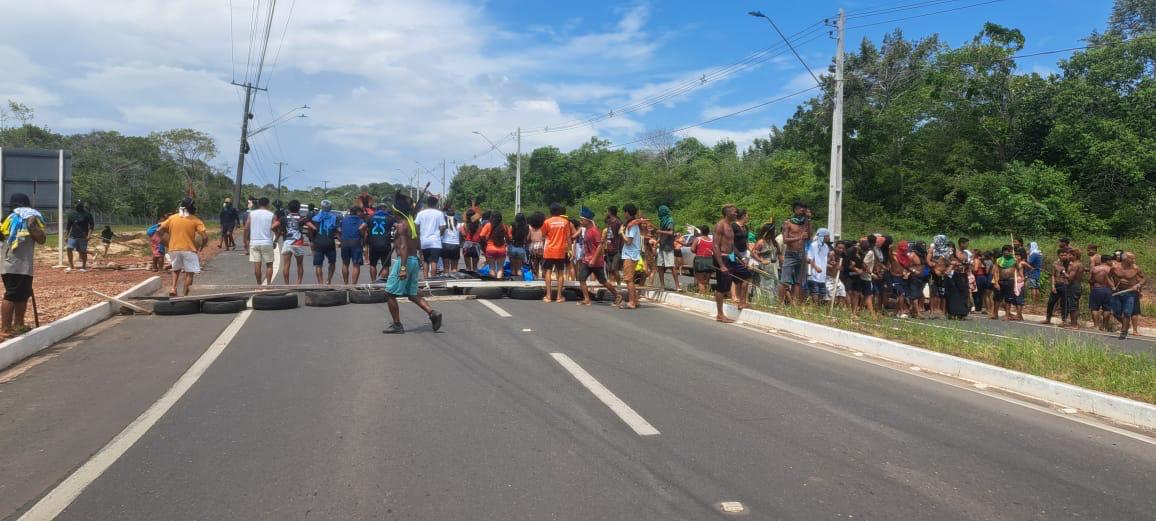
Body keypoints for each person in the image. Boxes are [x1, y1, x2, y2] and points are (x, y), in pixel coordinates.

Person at [382, 191, 442, 334]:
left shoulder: (402, 225)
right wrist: (420, 258)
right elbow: (418, 243)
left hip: (405, 261)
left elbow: (403, 247)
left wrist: (402, 268)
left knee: (389, 293)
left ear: (396, 210)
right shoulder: (411, 224)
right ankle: (432, 313)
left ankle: (397, 324)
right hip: (413, 260)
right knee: (412, 293)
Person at [0, 194, 46, 336]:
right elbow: (41, 239)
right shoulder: (29, 220)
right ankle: (5, 329)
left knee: (22, 295)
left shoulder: (5, 220)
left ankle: (18, 325)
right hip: (18, 266)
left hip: (10, 265)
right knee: (12, 295)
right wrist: (32, 225)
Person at [159, 198, 207, 297]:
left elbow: (159, 230)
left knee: (175, 270)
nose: (194, 207)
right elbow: (205, 237)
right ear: (189, 208)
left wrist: (166, 241)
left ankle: (173, 288)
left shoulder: (172, 218)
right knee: (189, 273)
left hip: (173, 249)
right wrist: (202, 246)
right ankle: (184, 296)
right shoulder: (196, 220)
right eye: (193, 206)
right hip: (189, 249)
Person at [576, 207, 617, 306]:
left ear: (587, 220)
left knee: (603, 281)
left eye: (582, 220)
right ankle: (587, 299)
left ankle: (617, 295)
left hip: (596, 261)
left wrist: (594, 259)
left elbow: (600, 245)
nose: (580, 222)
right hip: (587, 260)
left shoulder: (594, 231)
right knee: (581, 278)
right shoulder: (586, 230)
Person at [712, 204, 746, 322]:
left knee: (738, 279)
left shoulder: (730, 226)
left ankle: (739, 301)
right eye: (734, 212)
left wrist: (741, 258)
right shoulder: (720, 225)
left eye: (737, 212)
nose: (736, 214)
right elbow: (715, 246)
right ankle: (720, 314)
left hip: (731, 257)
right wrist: (721, 265)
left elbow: (732, 245)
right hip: (722, 257)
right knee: (721, 286)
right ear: (727, 213)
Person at [542, 203, 575, 303]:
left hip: (549, 251)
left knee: (548, 272)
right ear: (560, 211)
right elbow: (568, 237)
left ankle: (548, 296)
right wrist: (570, 250)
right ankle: (559, 297)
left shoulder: (547, 222)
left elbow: (544, 235)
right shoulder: (565, 222)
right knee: (560, 273)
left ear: (550, 211)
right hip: (561, 251)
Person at [1110, 252, 1145, 340]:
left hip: (1130, 293)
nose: (1134, 260)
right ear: (1125, 259)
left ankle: (1124, 331)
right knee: (1116, 312)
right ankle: (1126, 324)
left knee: (1127, 312)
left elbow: (1144, 278)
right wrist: (1112, 286)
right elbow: (1108, 276)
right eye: (1132, 259)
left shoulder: (1136, 268)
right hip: (1118, 293)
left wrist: (1138, 285)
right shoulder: (1115, 267)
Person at [779, 202, 808, 305]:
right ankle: (780, 304)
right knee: (785, 280)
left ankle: (794, 305)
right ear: (795, 209)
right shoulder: (788, 223)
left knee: (798, 282)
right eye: (801, 209)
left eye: (805, 209)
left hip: (802, 254)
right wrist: (799, 237)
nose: (803, 211)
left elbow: (810, 235)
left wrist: (809, 220)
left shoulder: (805, 223)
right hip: (791, 254)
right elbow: (785, 240)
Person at [305, 199, 339, 285]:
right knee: (332, 262)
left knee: (318, 265)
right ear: (330, 208)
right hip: (330, 242)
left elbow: (310, 229)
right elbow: (337, 230)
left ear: (321, 207)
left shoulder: (315, 217)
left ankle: (320, 283)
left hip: (318, 242)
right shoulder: (334, 217)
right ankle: (329, 280)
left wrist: (312, 240)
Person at [245, 197, 277, 285]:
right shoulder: (271, 215)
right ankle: (268, 285)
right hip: (267, 242)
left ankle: (259, 285)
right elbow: (276, 229)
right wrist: (276, 240)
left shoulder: (252, 214)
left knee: (257, 265)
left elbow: (246, 228)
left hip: (254, 242)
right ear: (268, 204)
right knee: (269, 265)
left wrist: (245, 241)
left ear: (259, 204)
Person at [414, 196, 446, 278]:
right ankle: (433, 280)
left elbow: (416, 225)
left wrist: (419, 234)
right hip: (435, 241)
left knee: (425, 261)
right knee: (434, 262)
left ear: (427, 203)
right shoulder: (439, 213)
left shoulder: (421, 213)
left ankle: (425, 280)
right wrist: (439, 234)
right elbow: (443, 227)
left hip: (424, 241)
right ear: (436, 203)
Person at [620, 204, 644, 310]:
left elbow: (628, 241)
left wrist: (621, 233)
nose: (624, 214)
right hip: (631, 254)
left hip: (630, 254)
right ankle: (635, 300)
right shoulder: (632, 224)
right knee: (630, 279)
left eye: (624, 212)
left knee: (628, 279)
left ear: (627, 212)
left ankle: (631, 302)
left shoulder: (632, 226)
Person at [750, 222, 780, 304]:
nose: (775, 231)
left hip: (773, 267)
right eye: (774, 230)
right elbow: (753, 253)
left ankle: (772, 303)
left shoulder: (774, 242)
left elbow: (779, 253)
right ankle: (761, 302)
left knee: (773, 285)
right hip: (763, 267)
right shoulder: (761, 242)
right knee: (763, 285)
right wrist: (761, 260)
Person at [278, 200, 307, 284]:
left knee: (286, 265)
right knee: (299, 264)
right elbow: (310, 226)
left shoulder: (284, 218)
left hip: (287, 243)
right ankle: (298, 283)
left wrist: (277, 237)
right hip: (298, 243)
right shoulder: (302, 218)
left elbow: (274, 226)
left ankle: (287, 284)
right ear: (298, 208)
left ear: (289, 208)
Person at [654, 205, 681, 292]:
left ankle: (677, 286)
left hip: (668, 247)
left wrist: (660, 231)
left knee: (671, 266)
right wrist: (657, 242)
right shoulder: (662, 221)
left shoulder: (670, 220)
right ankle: (662, 286)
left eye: (659, 211)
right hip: (662, 246)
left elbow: (670, 232)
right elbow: (662, 235)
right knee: (660, 266)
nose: (658, 213)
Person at [1042, 248, 1072, 325]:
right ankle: (1048, 319)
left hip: (1065, 285)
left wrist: (1065, 272)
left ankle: (1064, 320)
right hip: (1057, 285)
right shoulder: (1055, 263)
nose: (1063, 257)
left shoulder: (1070, 264)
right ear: (1058, 255)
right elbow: (1053, 275)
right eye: (1062, 255)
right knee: (1051, 302)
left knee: (1064, 303)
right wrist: (1053, 286)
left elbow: (1070, 276)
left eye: (1065, 255)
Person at [338, 206, 367, 285]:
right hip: (356, 242)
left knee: (345, 263)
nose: (362, 214)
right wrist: (363, 239)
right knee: (356, 265)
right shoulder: (361, 220)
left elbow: (339, 230)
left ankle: (346, 284)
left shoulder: (344, 220)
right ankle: (353, 285)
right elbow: (362, 229)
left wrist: (340, 239)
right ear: (358, 212)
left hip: (345, 242)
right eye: (361, 212)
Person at [64, 201, 95, 272]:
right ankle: (71, 266)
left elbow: (91, 225)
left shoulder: (88, 214)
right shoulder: (71, 214)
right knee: (69, 248)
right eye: (75, 204)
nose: (76, 205)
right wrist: (66, 236)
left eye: (78, 204)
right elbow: (68, 227)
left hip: (83, 237)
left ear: (82, 205)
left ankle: (83, 267)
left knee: (83, 251)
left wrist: (89, 235)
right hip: (73, 236)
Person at [367, 204, 393, 282]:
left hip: (373, 244)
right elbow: (397, 226)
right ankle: (383, 283)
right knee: (385, 265)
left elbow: (363, 227)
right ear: (384, 209)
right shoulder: (389, 217)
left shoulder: (370, 216)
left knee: (373, 264)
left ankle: (373, 282)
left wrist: (366, 237)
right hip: (385, 244)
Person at [991, 245, 1018, 321]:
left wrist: (1021, 278)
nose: (1010, 252)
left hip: (1010, 281)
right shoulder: (999, 260)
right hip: (1000, 281)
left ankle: (1007, 315)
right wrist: (996, 283)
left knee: (1008, 299)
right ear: (1003, 251)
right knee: (997, 298)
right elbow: (995, 272)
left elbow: (1019, 269)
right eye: (1008, 251)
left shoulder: (1014, 260)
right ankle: (995, 314)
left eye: (1011, 251)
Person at [479, 211, 509, 279]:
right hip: (502, 249)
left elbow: (481, 235)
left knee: (492, 267)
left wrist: (486, 241)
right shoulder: (504, 226)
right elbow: (509, 237)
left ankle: (493, 282)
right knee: (500, 268)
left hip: (490, 248)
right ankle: (498, 282)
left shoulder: (488, 225)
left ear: (491, 217)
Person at [1089, 255, 1115, 332]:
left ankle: (1096, 326)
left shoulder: (1095, 268)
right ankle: (1105, 327)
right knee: (1107, 308)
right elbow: (1114, 280)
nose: (1112, 262)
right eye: (1110, 261)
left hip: (1096, 289)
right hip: (1107, 290)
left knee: (1094, 308)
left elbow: (1090, 280)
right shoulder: (1111, 269)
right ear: (1106, 261)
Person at [806, 228, 831, 305]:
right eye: (827, 236)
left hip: (822, 274)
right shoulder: (813, 245)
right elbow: (809, 258)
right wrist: (816, 267)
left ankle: (817, 308)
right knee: (815, 292)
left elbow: (825, 259)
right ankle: (814, 307)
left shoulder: (826, 247)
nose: (829, 238)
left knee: (821, 293)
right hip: (814, 273)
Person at [690, 225, 715, 295]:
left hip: (700, 260)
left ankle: (702, 295)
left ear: (701, 231)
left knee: (700, 281)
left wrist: (697, 251)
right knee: (707, 280)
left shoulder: (698, 239)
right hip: (710, 260)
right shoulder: (712, 240)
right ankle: (707, 293)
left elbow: (692, 249)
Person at [1064, 247, 1085, 329]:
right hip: (1076, 285)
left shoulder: (1075, 265)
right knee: (1073, 305)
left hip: (1074, 285)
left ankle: (1074, 325)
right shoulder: (1079, 264)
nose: (1068, 256)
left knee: (1073, 306)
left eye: (1070, 255)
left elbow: (1070, 278)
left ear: (1075, 255)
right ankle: (1073, 323)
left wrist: (1063, 272)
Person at [604, 207, 623, 286]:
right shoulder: (608, 222)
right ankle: (611, 284)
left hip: (616, 249)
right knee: (608, 269)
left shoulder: (618, 222)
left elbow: (621, 235)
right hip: (608, 248)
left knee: (614, 268)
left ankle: (619, 284)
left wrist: (620, 247)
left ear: (610, 212)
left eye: (608, 211)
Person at [441, 203, 461, 273]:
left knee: (446, 267)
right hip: (455, 245)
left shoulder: (444, 224)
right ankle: (453, 281)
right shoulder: (459, 225)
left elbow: (441, 233)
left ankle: (446, 280)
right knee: (454, 267)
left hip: (446, 244)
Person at [508, 213, 529, 279]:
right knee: (519, 268)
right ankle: (519, 281)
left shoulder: (513, 225)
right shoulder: (526, 227)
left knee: (513, 267)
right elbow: (526, 238)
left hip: (513, 246)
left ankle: (512, 283)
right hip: (521, 247)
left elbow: (509, 235)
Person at [828, 241, 848, 308]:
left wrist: (840, 267)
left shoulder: (840, 256)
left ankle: (838, 309)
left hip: (836, 277)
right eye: (839, 248)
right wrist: (833, 266)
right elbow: (824, 264)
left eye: (842, 248)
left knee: (842, 291)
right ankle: (829, 309)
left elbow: (840, 268)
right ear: (835, 247)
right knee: (831, 294)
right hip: (828, 277)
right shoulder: (831, 254)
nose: (841, 250)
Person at [526, 211, 546, 278]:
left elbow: (528, 238)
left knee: (535, 266)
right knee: (544, 266)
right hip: (543, 247)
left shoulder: (531, 228)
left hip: (533, 248)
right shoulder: (543, 227)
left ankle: (536, 278)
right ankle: (544, 279)